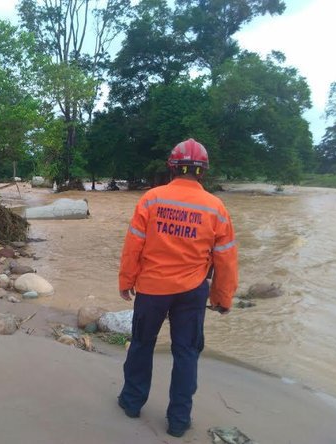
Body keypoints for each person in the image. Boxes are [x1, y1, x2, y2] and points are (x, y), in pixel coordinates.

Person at [117, 138, 238, 438]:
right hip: (192, 291)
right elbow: (225, 259)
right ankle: (179, 420)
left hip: (152, 287)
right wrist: (222, 298)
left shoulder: (151, 199)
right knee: (186, 353)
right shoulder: (216, 208)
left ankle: (132, 403)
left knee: (142, 344)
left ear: (172, 167)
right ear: (202, 171)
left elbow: (134, 245)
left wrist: (126, 280)